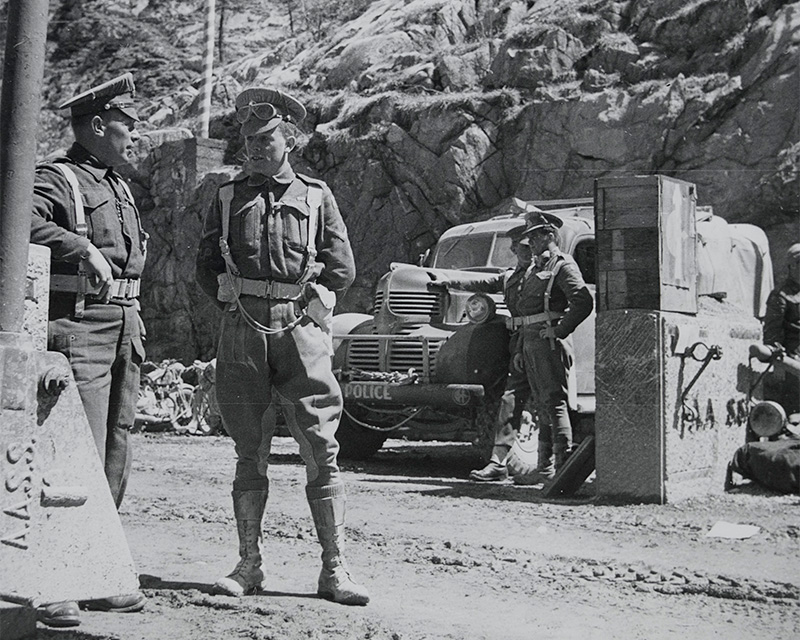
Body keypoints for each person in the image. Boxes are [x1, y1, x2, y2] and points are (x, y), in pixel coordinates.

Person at [195, 87, 369, 606]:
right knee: (248, 448)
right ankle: (249, 565)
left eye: (265, 140)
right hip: (243, 332)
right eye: (248, 141)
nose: (254, 149)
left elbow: (342, 265)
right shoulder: (227, 196)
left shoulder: (316, 196)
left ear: (287, 140)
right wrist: (224, 294)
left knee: (321, 447)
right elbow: (205, 263)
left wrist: (321, 298)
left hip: (300, 330)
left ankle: (334, 569)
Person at [29, 73, 148, 627]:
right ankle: (54, 581)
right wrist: (78, 247)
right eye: (127, 125)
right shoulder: (57, 177)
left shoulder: (118, 183)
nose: (134, 134)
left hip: (125, 325)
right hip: (80, 328)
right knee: (71, 452)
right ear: (98, 126)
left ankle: (93, 567)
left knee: (114, 451)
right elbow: (17, 218)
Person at [428, 223, 534, 481]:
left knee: (553, 400)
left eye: (521, 247)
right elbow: (485, 281)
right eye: (514, 248)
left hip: (542, 338)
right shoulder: (511, 276)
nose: (516, 251)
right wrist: (449, 279)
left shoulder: (545, 273)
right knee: (510, 398)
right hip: (519, 340)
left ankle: (555, 467)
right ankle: (498, 463)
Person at [516, 210, 593, 476]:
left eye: (536, 236)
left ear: (550, 235)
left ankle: (562, 470)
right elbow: (525, 314)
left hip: (549, 344)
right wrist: (519, 349)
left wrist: (559, 331)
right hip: (531, 344)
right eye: (530, 237)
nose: (532, 242)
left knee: (555, 402)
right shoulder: (535, 268)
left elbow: (583, 301)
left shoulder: (562, 265)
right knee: (542, 403)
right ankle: (545, 469)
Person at [762, 243, 800, 414]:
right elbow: (772, 333)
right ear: (790, 266)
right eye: (799, 263)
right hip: (793, 359)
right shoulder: (781, 296)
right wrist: (778, 362)